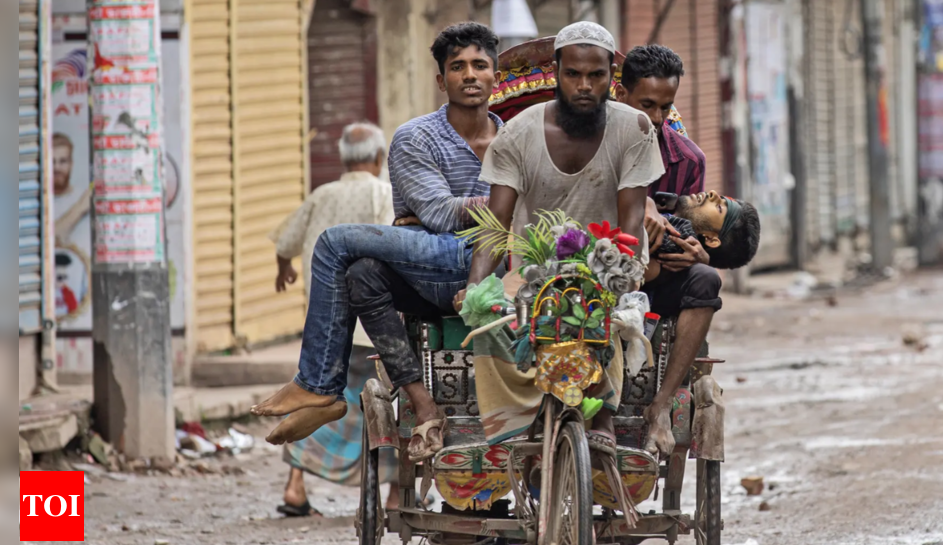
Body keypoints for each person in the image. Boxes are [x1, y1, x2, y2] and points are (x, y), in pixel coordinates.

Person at [250, 23, 504, 464]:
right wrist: (507, 205)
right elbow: (441, 216)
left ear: (495, 77)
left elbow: (445, 212)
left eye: (480, 65)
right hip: (434, 268)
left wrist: (499, 208)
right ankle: (411, 402)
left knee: (335, 245)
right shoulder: (416, 137)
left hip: (496, 268)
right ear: (441, 81)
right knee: (358, 271)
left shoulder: (516, 139)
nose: (469, 75)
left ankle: (318, 385)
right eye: (458, 67)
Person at [458, 22, 664, 448]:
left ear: (612, 76)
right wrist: (476, 287)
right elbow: (496, 226)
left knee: (601, 315)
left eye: (596, 75)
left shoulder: (636, 129)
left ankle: (604, 417)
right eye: (573, 74)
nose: (584, 85)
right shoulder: (517, 134)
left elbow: (629, 220)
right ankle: (516, 424)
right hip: (538, 272)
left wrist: (617, 278)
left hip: (612, 263)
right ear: (556, 72)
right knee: (493, 328)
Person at [614, 44, 761, 455]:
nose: (658, 119)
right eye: (647, 105)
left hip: (651, 274)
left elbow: (690, 225)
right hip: (595, 257)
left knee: (705, 278)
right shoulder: (595, 137)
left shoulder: (686, 160)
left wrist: (699, 254)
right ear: (622, 97)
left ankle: (659, 407)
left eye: (666, 107)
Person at [268, 122, 399, 515]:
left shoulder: (321, 195)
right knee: (389, 406)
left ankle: (295, 484)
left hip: (327, 328)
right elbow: (396, 243)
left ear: (344, 159)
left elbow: (286, 241)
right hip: (372, 325)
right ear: (378, 159)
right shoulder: (383, 194)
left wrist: (283, 269)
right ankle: (393, 495)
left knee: (319, 401)